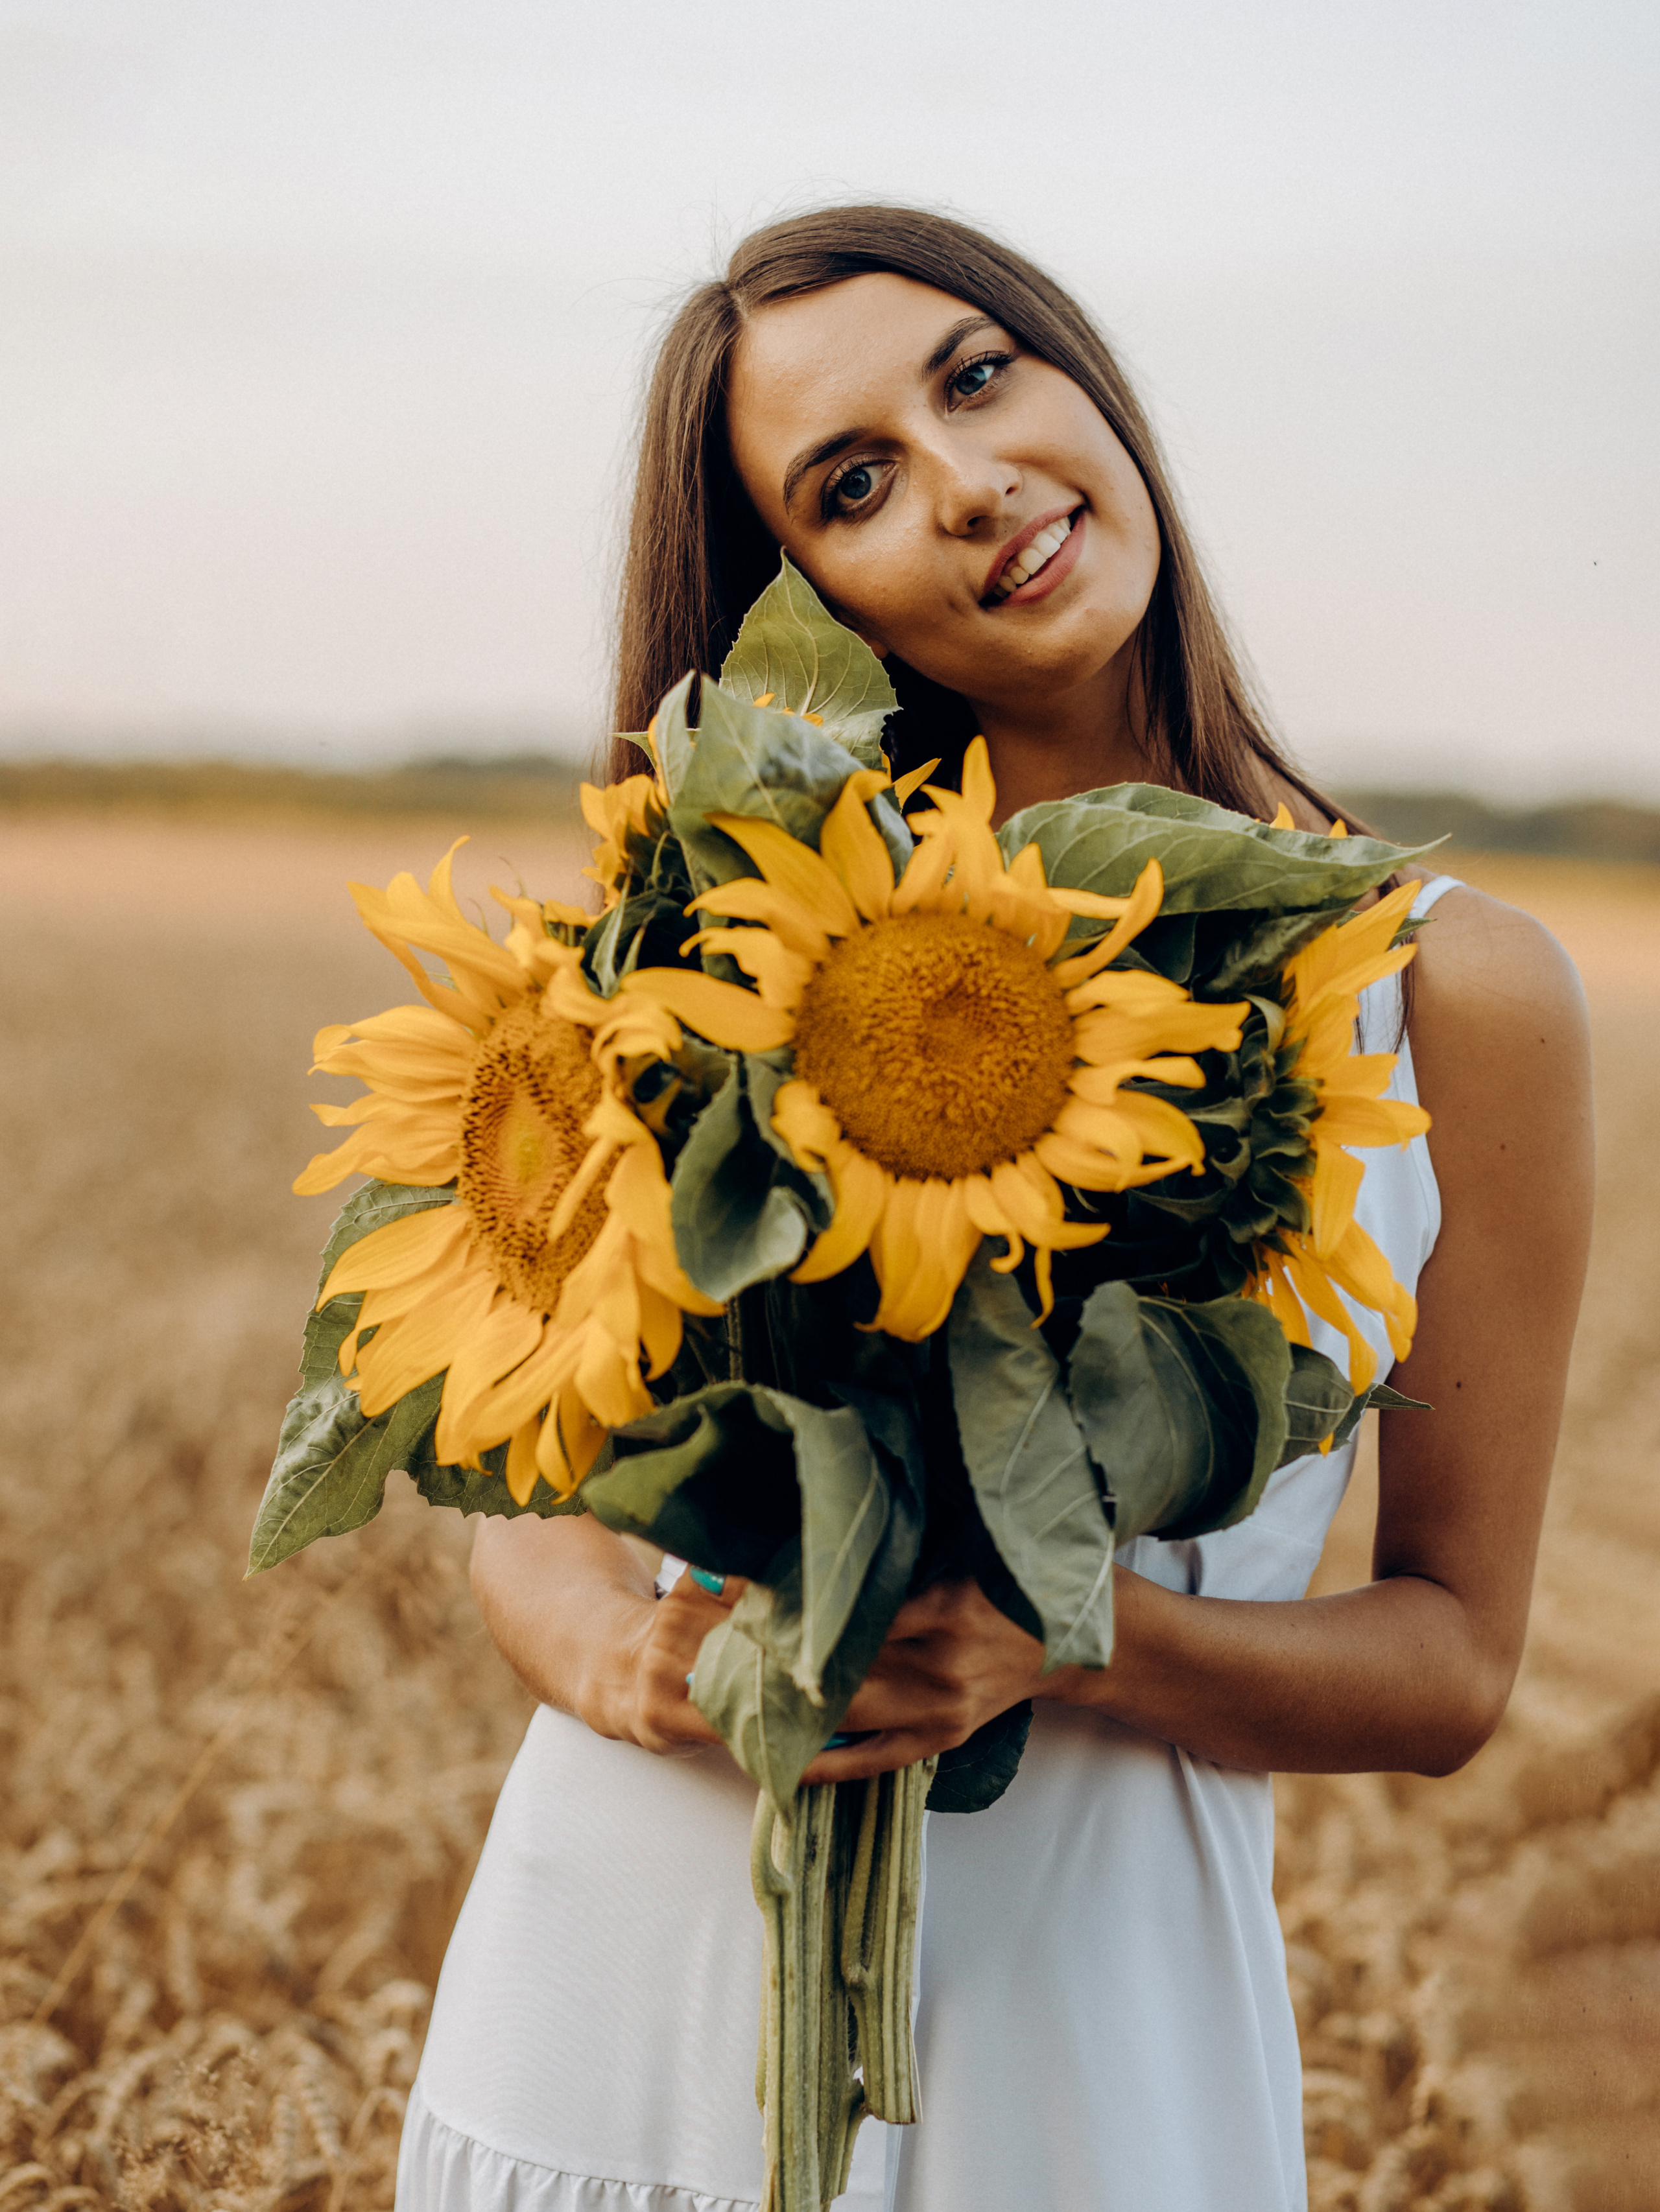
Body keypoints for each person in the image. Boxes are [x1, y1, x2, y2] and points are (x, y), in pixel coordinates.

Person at [396, 207, 1593, 2211]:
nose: (970, 487)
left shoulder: (1452, 986)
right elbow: (522, 1473)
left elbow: (1456, 1665)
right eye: (851, 484)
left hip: (1081, 2058)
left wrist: (1059, 1637)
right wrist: (633, 1664)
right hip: (624, 2000)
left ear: (1084, 377)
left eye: (978, 377)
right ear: (805, 589)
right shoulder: (719, 939)